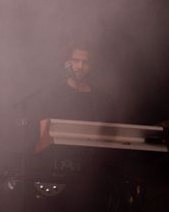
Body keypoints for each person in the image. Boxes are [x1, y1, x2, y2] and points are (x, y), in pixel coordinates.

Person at [29, 43, 119, 212]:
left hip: (93, 179)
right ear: (67, 63)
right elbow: (43, 140)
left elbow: (110, 144)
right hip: (58, 176)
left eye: (85, 62)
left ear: (91, 66)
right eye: (76, 61)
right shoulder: (52, 94)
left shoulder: (103, 100)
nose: (80, 66)